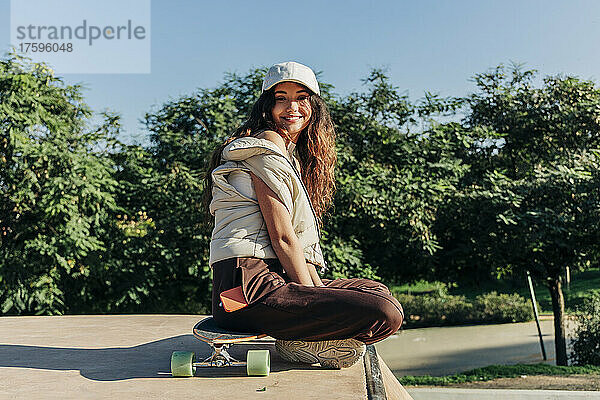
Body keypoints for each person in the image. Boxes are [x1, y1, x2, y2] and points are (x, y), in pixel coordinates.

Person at [204, 61, 404, 369]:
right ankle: (305, 342)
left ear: (314, 105)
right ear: (267, 106)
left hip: (277, 280)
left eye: (301, 97)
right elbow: (283, 239)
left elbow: (299, 245)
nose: (291, 107)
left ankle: (300, 341)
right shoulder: (264, 149)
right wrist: (315, 300)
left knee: (374, 291)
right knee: (384, 309)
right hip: (243, 291)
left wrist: (318, 295)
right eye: (280, 98)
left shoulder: (288, 155)